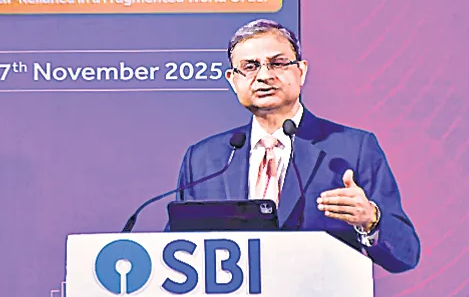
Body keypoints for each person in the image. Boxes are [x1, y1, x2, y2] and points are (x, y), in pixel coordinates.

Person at [172, 19, 420, 273]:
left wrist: (371, 220)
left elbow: (405, 254)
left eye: (278, 63)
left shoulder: (353, 148)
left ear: (301, 71)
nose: (264, 76)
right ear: (233, 80)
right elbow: (177, 250)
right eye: (250, 67)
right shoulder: (203, 159)